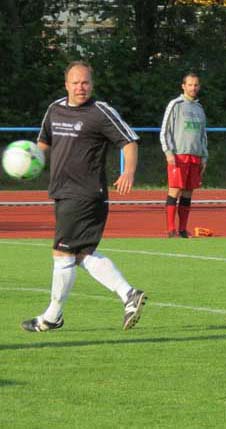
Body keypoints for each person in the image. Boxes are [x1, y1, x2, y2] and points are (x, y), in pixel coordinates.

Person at [21, 61, 147, 332]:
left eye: (85, 82)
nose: (81, 87)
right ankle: (129, 294)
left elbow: (129, 141)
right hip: (63, 192)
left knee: (62, 252)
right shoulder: (54, 109)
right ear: (66, 84)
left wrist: (129, 173)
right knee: (82, 253)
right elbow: (44, 143)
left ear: (92, 84)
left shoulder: (100, 112)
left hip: (84, 194)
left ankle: (52, 317)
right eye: (75, 82)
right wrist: (29, 160)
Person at [160, 72, 208, 238]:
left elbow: (203, 134)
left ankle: (182, 229)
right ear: (183, 86)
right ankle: (171, 230)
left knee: (188, 193)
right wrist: (168, 152)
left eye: (196, 85)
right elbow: (164, 131)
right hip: (178, 155)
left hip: (195, 156)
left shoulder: (200, 108)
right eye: (190, 84)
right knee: (175, 190)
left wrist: (204, 156)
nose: (193, 88)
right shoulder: (176, 104)